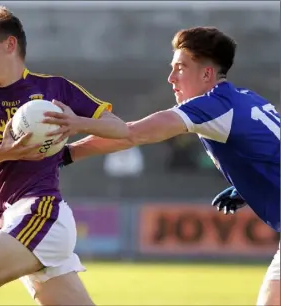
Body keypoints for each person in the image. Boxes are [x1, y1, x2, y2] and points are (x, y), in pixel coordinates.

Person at [46, 27, 280, 306]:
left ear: (206, 74)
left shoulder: (213, 107)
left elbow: (132, 133)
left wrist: (68, 150)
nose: (171, 78)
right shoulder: (245, 98)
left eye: (181, 67)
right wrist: (246, 183)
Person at [0, 6, 129, 306]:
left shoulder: (54, 89)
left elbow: (119, 130)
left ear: (10, 44)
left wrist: (77, 123)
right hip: (12, 219)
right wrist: (6, 151)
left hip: (41, 213)